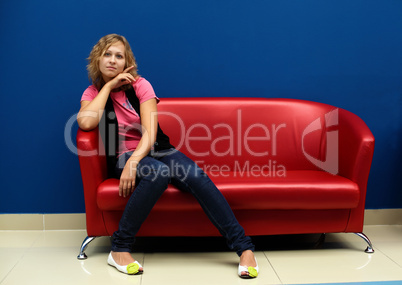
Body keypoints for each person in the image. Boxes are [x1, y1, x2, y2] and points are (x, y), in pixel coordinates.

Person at [77, 34, 258, 278]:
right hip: (122, 155)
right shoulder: (92, 92)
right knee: (158, 175)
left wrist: (134, 162)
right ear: (97, 59)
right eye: (107, 54)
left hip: (156, 148)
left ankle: (244, 248)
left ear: (127, 62)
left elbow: (150, 133)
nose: (112, 60)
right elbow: (86, 122)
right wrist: (108, 87)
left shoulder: (141, 85)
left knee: (197, 177)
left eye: (119, 56)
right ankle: (119, 247)